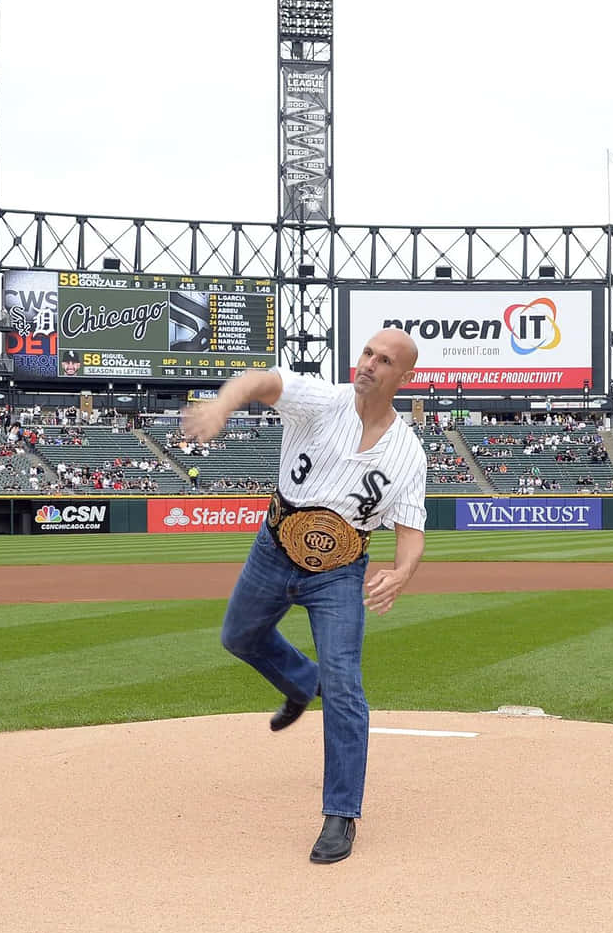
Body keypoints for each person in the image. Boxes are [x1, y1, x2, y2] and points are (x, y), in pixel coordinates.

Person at [180, 329, 428, 865]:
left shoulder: (408, 452)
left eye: (384, 360)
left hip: (339, 572)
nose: (369, 364)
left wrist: (403, 571)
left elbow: (411, 530)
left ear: (404, 378)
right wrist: (222, 404)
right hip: (274, 548)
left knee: (345, 685)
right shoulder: (322, 400)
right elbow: (262, 380)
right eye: (367, 353)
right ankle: (300, 680)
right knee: (238, 636)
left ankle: (341, 814)